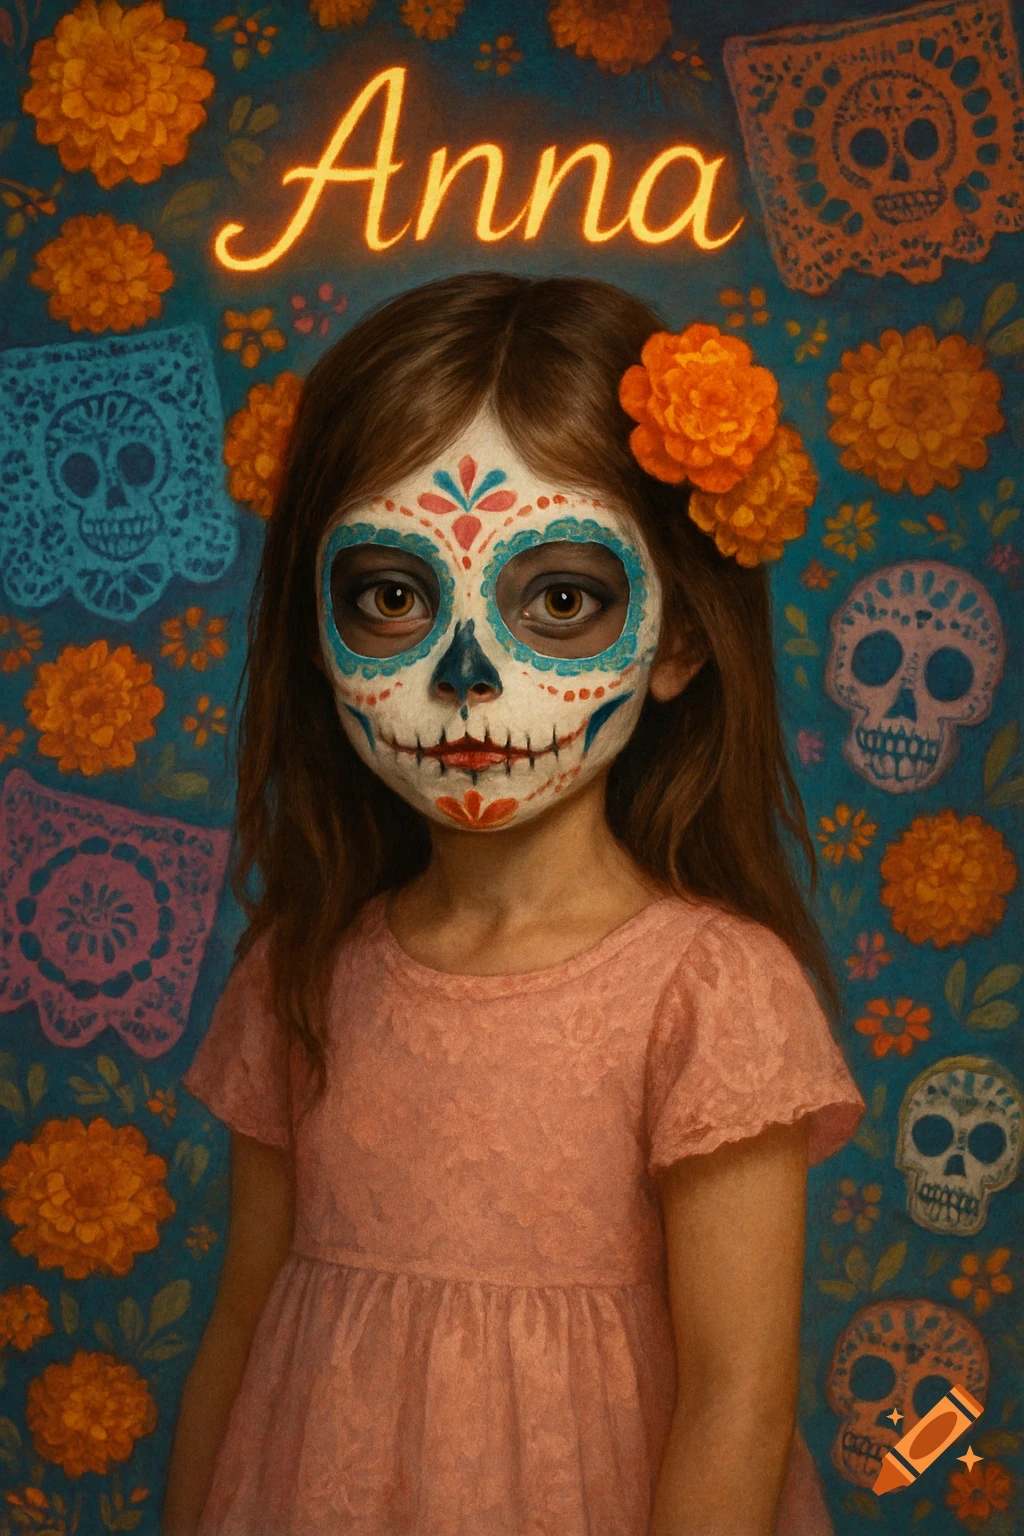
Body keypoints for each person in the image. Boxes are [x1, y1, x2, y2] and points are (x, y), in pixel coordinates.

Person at [161, 271, 866, 1536]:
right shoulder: (300, 965)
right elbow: (240, 1319)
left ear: (676, 643)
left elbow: (736, 1407)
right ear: (317, 631)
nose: (468, 678)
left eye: (559, 599)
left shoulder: (710, 992)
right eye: (391, 596)